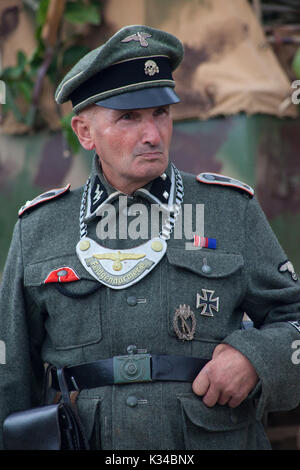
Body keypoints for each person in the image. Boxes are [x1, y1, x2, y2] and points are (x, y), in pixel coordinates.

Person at [0, 24, 300, 451]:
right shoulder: (39, 229)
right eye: (129, 117)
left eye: (160, 112)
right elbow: (9, 372)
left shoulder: (230, 211)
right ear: (85, 133)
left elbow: (294, 317)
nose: (153, 135)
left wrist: (256, 357)